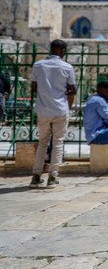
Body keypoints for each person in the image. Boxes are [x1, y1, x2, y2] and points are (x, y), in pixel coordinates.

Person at [29, 39, 77, 188]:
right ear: (63, 51)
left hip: (43, 110)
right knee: (58, 143)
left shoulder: (38, 65)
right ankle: (52, 176)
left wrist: (45, 94)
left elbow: (33, 87)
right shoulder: (67, 67)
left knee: (42, 142)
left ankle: (36, 176)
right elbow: (73, 90)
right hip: (60, 109)